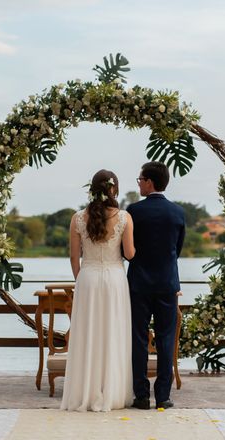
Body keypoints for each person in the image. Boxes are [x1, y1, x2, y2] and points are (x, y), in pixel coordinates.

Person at [60, 169, 136, 412]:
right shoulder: (124, 217)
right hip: (114, 278)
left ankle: (85, 391)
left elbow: (74, 257)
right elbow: (130, 254)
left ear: (92, 188)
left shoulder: (77, 218)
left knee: (88, 333)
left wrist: (81, 280)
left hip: (88, 278)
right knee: (113, 332)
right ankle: (112, 391)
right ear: (114, 189)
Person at [127, 161, 185, 410]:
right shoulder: (177, 212)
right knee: (166, 339)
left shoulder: (133, 211)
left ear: (149, 182)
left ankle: (141, 395)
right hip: (167, 283)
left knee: (138, 339)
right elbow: (177, 250)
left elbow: (127, 249)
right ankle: (163, 395)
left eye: (140, 179)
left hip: (138, 284)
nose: (138, 183)